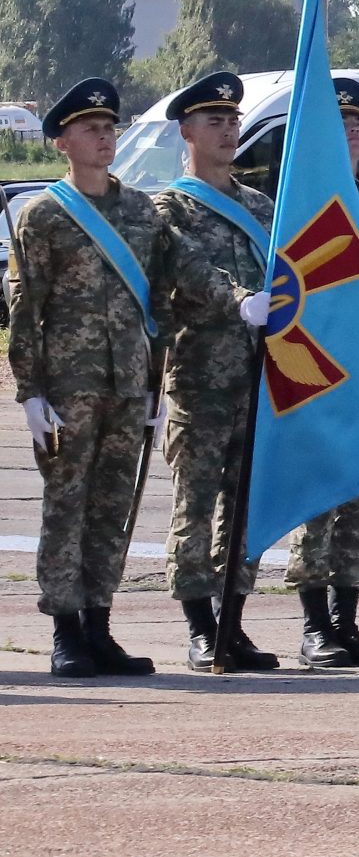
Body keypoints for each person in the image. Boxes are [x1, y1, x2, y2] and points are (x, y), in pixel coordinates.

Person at [9, 78, 179, 679]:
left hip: (128, 381)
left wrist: (158, 382)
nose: (104, 137)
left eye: (109, 128)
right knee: (67, 504)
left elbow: (158, 300)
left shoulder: (139, 210)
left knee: (114, 507)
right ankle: (65, 632)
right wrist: (28, 390)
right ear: (62, 141)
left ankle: (100, 626)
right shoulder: (45, 215)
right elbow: (26, 306)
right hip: (68, 385)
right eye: (90, 129)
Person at [153, 71, 284, 671]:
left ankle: (234, 618)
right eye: (215, 121)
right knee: (197, 502)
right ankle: (199, 624)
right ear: (187, 131)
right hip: (200, 379)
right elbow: (191, 269)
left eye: (233, 121)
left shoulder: (261, 207)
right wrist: (236, 300)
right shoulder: (168, 207)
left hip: (258, 378)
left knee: (247, 506)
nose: (228, 131)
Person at [282, 76, 359, 666]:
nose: (354, 132)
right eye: (342, 125)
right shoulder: (302, 206)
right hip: (318, 370)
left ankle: (346, 618)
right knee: (320, 496)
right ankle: (314, 625)